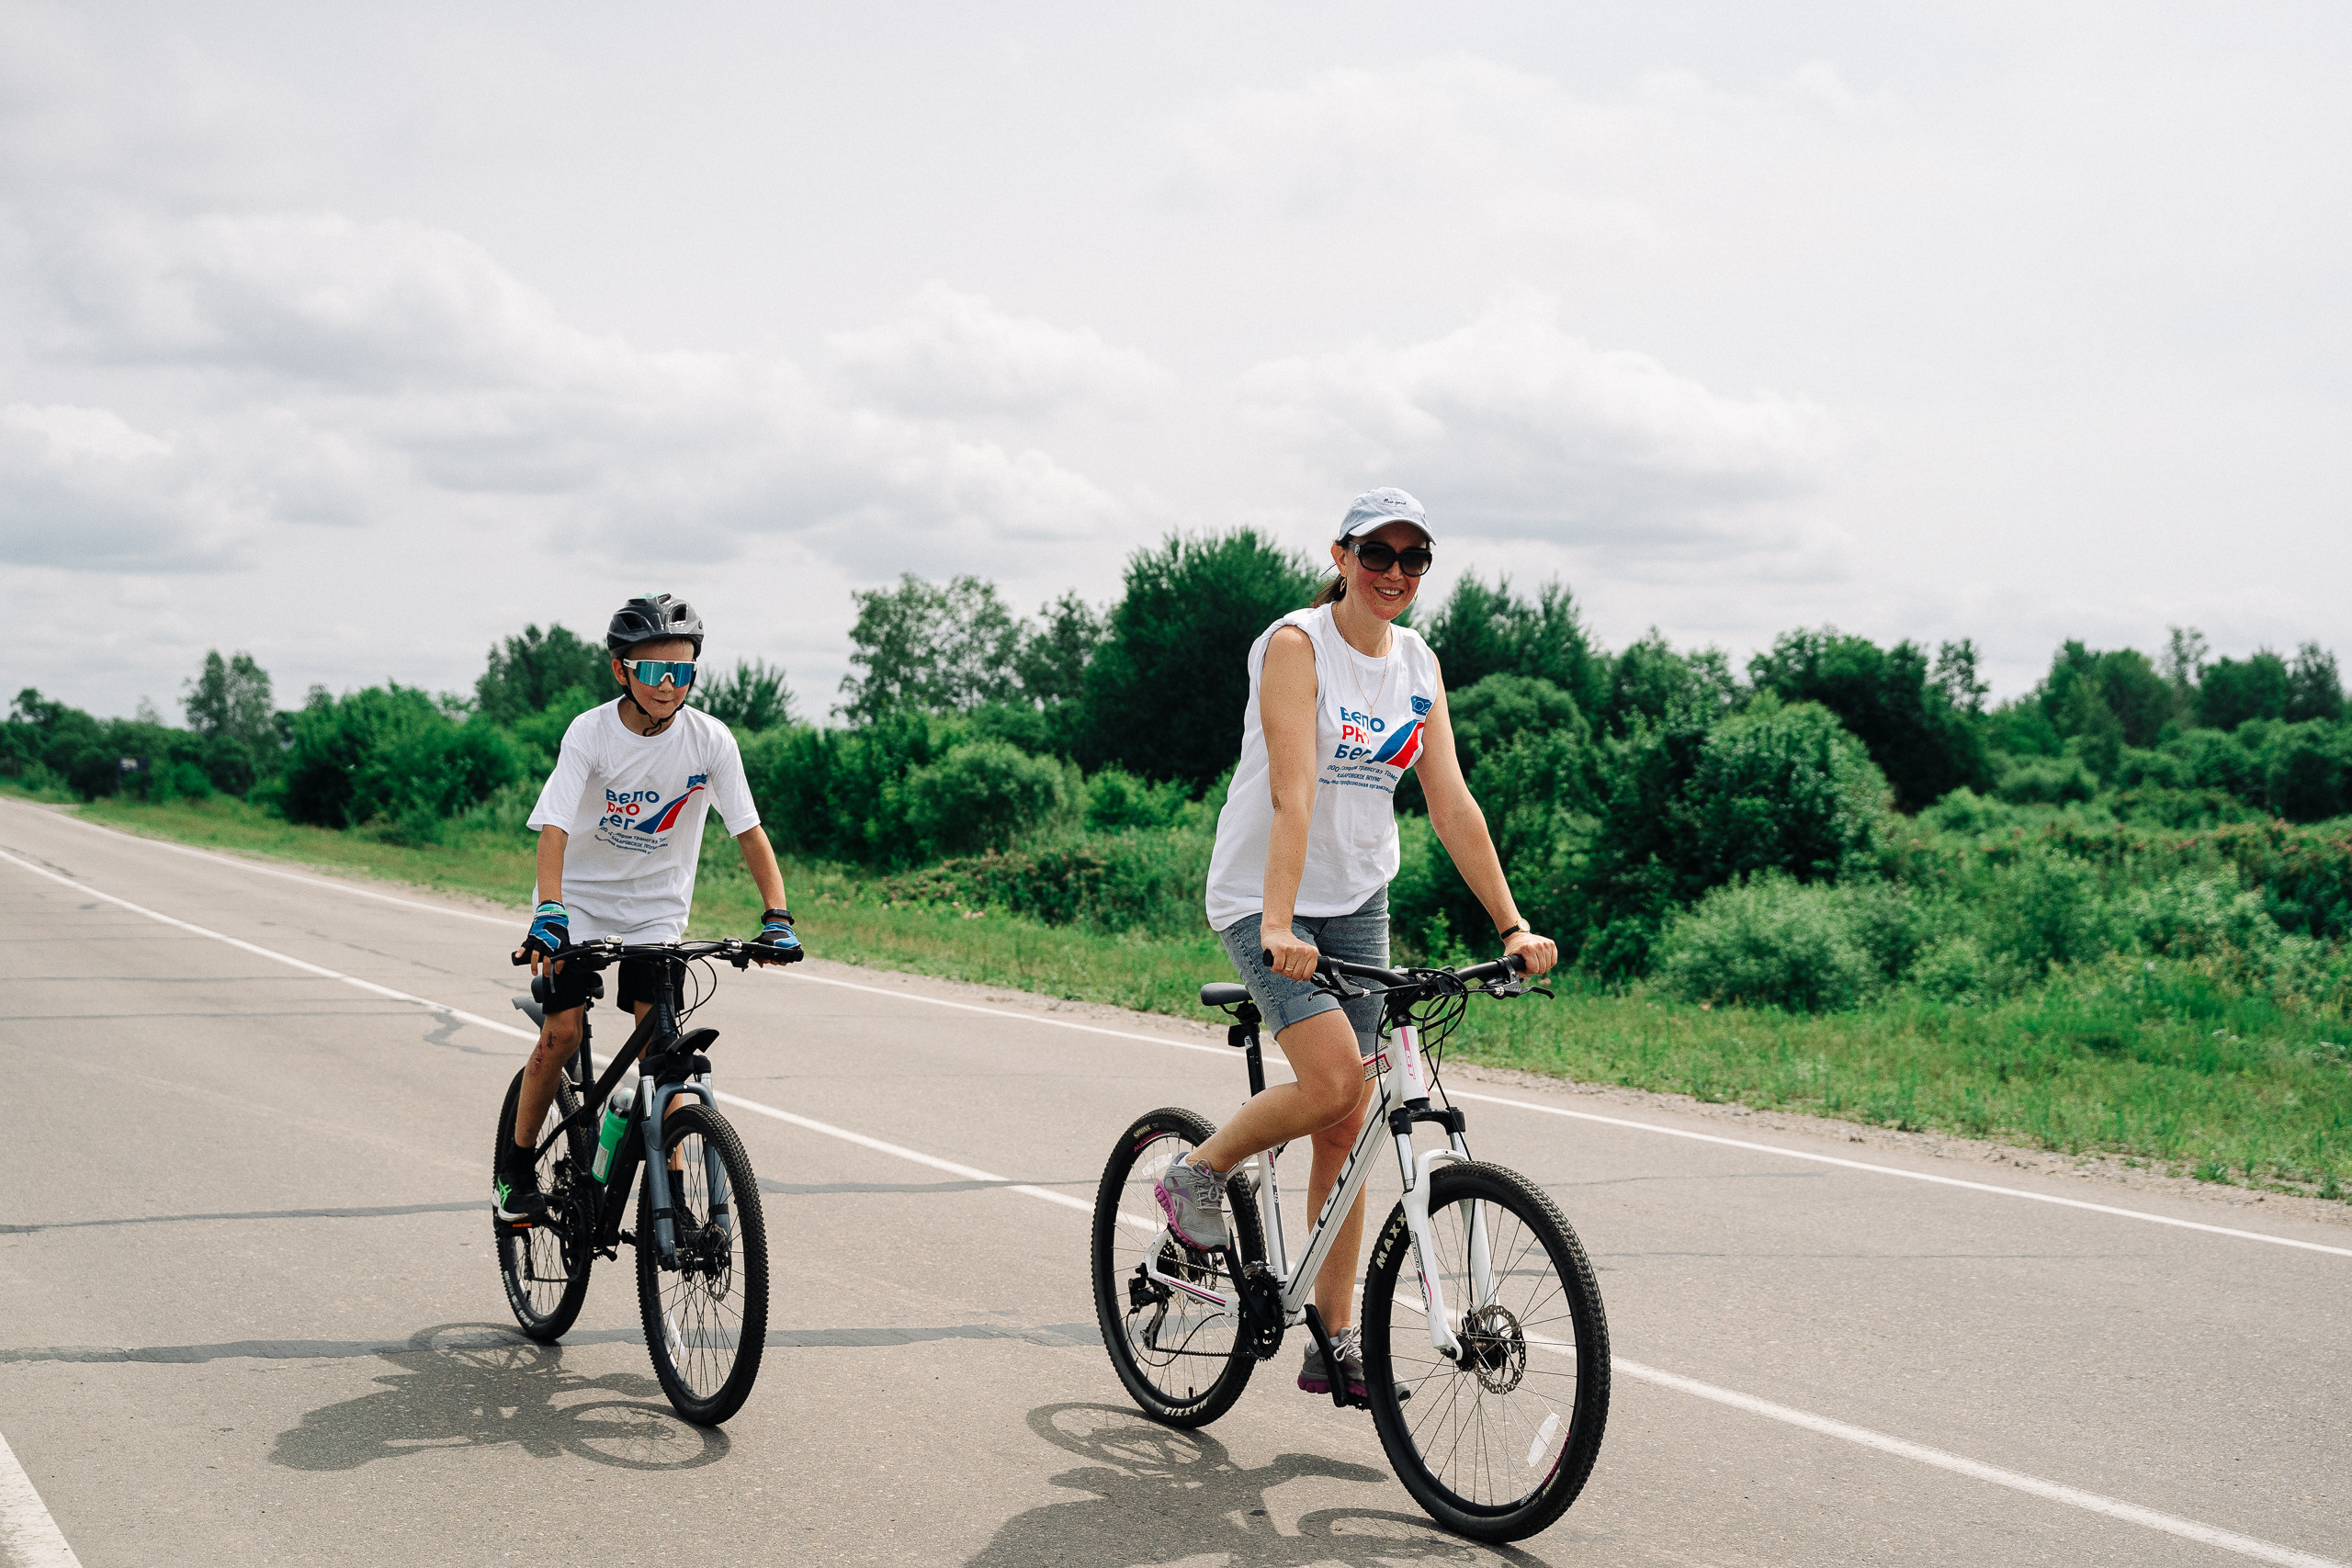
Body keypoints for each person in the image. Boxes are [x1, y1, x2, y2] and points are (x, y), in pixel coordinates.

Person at [1156, 488, 1559, 1403]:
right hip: (1265, 897)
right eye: (1377, 553)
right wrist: (1276, 923)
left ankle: (1331, 1337)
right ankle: (1196, 1172)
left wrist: (1511, 925)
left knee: (1348, 1123)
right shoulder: (1296, 647)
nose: (1394, 572)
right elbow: (1293, 793)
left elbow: (1450, 802)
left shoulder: (1418, 663)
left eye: (1414, 558)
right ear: (1340, 557)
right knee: (1336, 1081)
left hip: (1358, 897)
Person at [493, 592, 805, 1224]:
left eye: (682, 670)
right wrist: (549, 910)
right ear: (622, 670)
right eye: (656, 670)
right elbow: (554, 826)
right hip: (577, 905)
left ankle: (673, 1202)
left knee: (662, 1056)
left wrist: (777, 917)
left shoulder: (710, 740)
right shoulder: (590, 733)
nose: (669, 684)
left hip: (656, 913)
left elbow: (748, 831)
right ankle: (516, 1170)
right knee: (563, 1032)